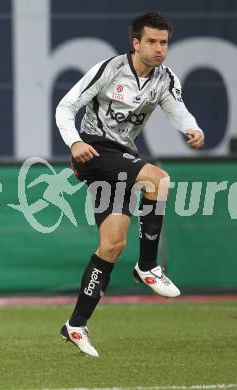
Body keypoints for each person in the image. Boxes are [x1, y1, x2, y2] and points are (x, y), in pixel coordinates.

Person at [56, 11, 204, 357]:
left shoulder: (165, 79)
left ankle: (75, 325)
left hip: (121, 158)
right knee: (158, 179)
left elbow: (177, 109)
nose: (159, 49)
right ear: (135, 42)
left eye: (164, 42)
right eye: (151, 41)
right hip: (95, 151)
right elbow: (65, 107)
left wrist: (191, 128)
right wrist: (74, 142)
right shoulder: (110, 70)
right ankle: (149, 266)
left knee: (112, 245)